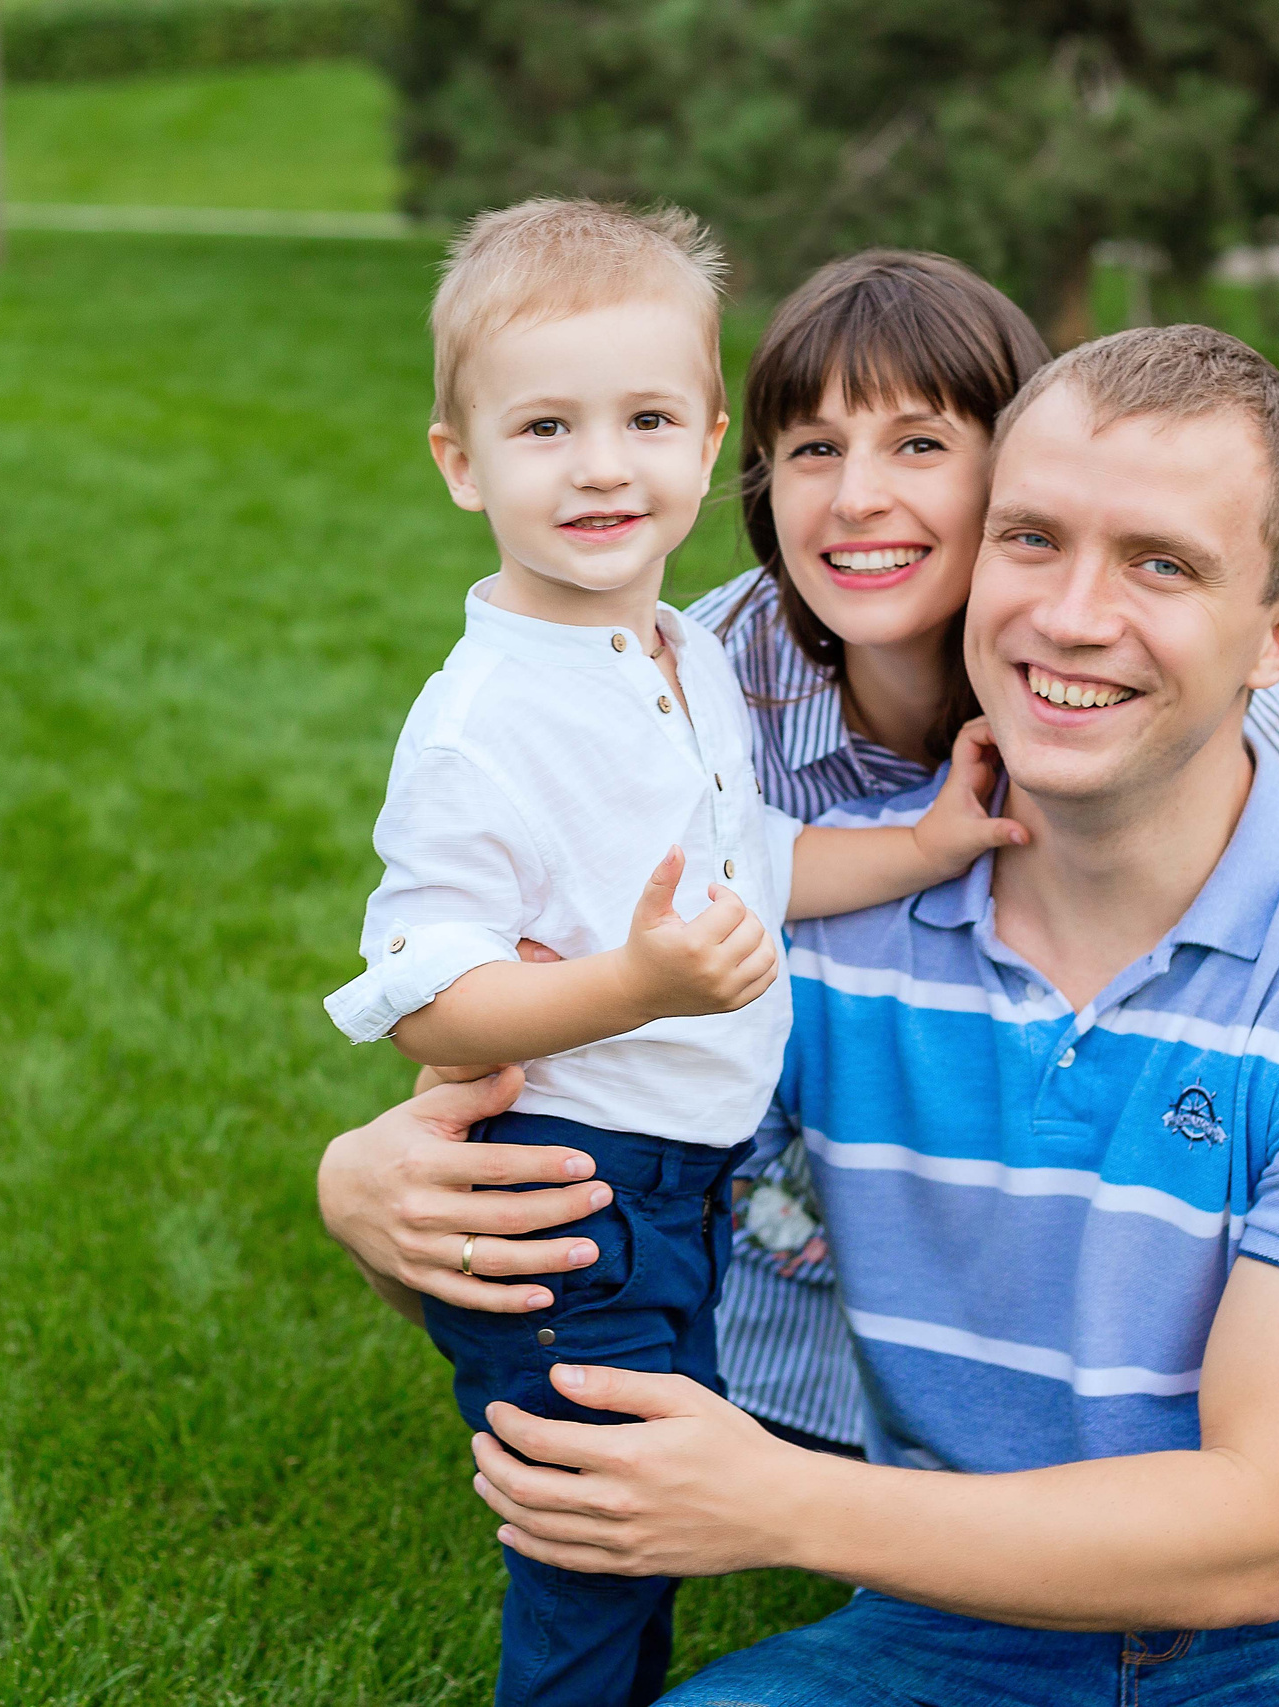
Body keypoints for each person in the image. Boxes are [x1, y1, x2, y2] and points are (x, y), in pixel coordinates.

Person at [323, 251, 1279, 1467]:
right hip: (735, 1285)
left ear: (1017, 477)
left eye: (922, 445)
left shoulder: (1150, 690)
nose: (858, 496)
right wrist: (358, 1175)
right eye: (813, 449)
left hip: (1014, 1312)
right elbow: (506, 1006)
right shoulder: (688, 681)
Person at [462, 325, 1279, 1704]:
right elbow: (555, 1190)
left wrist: (779, 1503)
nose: (1074, 613)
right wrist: (375, 1183)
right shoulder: (831, 926)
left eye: (1162, 562)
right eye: (1032, 539)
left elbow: (1261, 1536)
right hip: (938, 1620)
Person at [322, 201, 1021, 1707]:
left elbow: (753, 870)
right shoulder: (483, 720)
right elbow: (431, 997)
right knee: (595, 1526)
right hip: (580, 1171)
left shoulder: (687, 651)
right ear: (460, 461)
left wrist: (925, 846)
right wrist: (636, 986)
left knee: (643, 1513)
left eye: (644, 418)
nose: (599, 464)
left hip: (679, 1175)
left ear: (708, 445)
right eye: (544, 426)